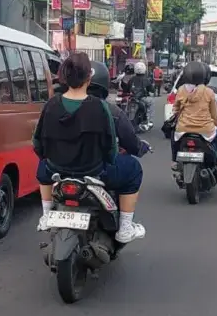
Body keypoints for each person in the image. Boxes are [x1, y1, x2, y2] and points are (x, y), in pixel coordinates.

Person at [33, 52, 146, 243]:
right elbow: (110, 147)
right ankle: (126, 227)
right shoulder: (100, 107)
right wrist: (109, 161)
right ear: (89, 77)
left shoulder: (50, 105)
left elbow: (38, 144)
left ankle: (46, 215)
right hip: (93, 172)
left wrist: (50, 158)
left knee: (42, 167)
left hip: (56, 171)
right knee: (134, 169)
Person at [171, 61, 217, 175]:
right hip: (205, 130)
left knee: (173, 136)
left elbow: (175, 110)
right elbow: (214, 114)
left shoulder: (181, 90)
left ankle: (174, 161)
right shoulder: (209, 92)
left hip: (183, 130)